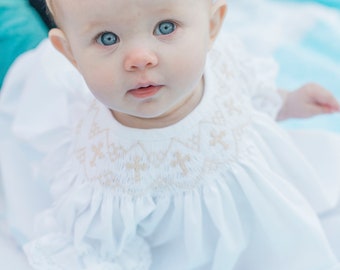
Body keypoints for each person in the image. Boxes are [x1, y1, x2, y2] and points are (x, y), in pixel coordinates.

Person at [1, 0, 340, 269]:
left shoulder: (217, 60)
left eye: (165, 28)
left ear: (212, 25)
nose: (140, 58)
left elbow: (248, 93)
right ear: (71, 55)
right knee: (13, 32)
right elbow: (102, 251)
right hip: (192, 256)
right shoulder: (108, 169)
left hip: (262, 231)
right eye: (108, 38)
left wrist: (289, 102)